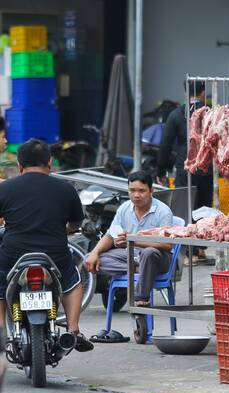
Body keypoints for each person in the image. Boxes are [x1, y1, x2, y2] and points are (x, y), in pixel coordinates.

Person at [0, 139, 92, 351]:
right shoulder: (65, 189)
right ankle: (73, 330)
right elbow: (76, 223)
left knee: (0, 281)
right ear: (50, 162)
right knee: (72, 281)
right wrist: (65, 229)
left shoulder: (5, 188)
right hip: (54, 253)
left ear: (19, 165)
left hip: (14, 253)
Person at [85, 172, 174, 313]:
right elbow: (110, 235)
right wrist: (95, 252)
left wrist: (134, 241)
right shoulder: (124, 208)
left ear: (151, 191)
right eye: (132, 190)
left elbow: (167, 245)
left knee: (148, 253)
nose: (136, 195)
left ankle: (141, 298)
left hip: (157, 258)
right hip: (131, 256)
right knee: (90, 259)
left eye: (141, 191)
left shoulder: (163, 211)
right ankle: (139, 268)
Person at [157, 83, 212, 264]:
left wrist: (161, 170)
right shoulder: (210, 113)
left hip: (185, 166)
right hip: (206, 166)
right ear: (203, 92)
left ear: (185, 92)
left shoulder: (176, 114)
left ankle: (190, 252)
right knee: (203, 207)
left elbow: (165, 144)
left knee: (186, 207)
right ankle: (200, 248)